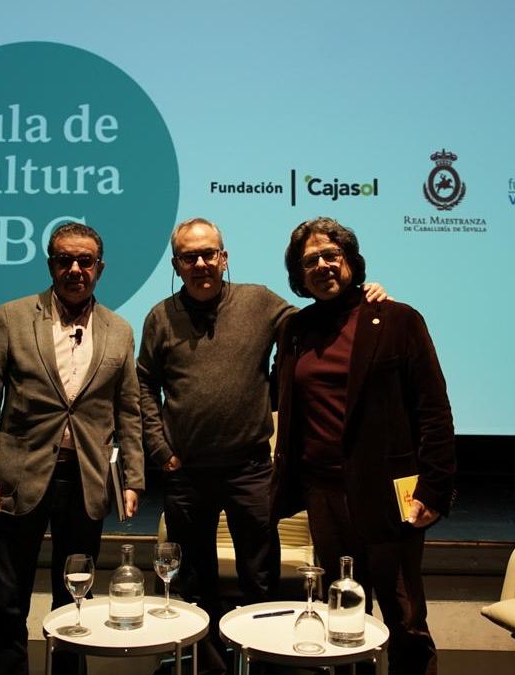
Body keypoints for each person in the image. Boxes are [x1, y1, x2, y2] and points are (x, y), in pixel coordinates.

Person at [137, 217, 387, 673]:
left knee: (260, 579)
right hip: (185, 472)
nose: (200, 263)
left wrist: (365, 296)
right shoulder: (159, 317)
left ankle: (261, 665)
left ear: (224, 257)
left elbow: (320, 317)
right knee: (194, 583)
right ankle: (204, 667)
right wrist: (158, 447)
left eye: (209, 253)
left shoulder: (259, 303)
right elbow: (143, 385)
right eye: (189, 256)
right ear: (176, 264)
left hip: (250, 470)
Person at [270, 217, 455, 675]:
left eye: (331, 256)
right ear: (298, 274)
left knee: (406, 619)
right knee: (344, 615)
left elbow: (433, 409)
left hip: (389, 494)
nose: (323, 266)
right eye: (310, 260)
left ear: (350, 260)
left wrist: (435, 489)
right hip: (323, 494)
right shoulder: (294, 330)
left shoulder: (397, 319)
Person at [0, 222, 144, 675]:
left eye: (85, 261)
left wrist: (133, 479)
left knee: (75, 603)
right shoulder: (12, 316)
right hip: (15, 477)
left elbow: (129, 411)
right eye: (65, 259)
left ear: (99, 269)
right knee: (6, 602)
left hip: (84, 481)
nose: (75, 269)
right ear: (51, 265)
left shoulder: (119, 330)